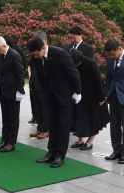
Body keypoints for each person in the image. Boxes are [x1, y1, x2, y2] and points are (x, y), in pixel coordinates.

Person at [27, 37, 82, 168]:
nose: (36, 57)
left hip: (65, 95)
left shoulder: (60, 53)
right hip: (49, 96)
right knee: (53, 125)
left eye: (37, 54)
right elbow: (41, 75)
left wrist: (77, 92)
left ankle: (60, 155)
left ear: (43, 48)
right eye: (33, 55)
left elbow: (74, 73)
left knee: (63, 126)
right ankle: (51, 152)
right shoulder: (36, 57)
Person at [68, 49, 110, 150]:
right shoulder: (71, 64)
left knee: (93, 119)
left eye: (77, 64)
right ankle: (80, 140)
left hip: (94, 97)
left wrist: (101, 98)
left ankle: (90, 141)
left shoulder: (91, 63)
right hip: (80, 95)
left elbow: (98, 81)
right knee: (79, 117)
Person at [0, 36, 25, 152]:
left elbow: (20, 74)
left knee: (13, 117)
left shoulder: (14, 55)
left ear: (4, 46)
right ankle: (4, 140)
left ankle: (11, 142)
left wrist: (19, 91)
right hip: (2, 90)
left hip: (13, 91)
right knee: (5, 117)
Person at [65, 26, 94, 135]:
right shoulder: (68, 46)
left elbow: (88, 65)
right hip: (70, 80)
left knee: (80, 105)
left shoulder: (87, 48)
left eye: (74, 38)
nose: (72, 40)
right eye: (70, 38)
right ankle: (71, 125)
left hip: (81, 79)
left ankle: (78, 126)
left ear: (80, 35)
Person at [29, 30, 49, 139]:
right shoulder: (35, 53)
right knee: (38, 109)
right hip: (35, 83)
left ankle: (46, 129)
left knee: (45, 109)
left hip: (44, 86)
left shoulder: (49, 53)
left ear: (45, 40)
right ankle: (40, 127)